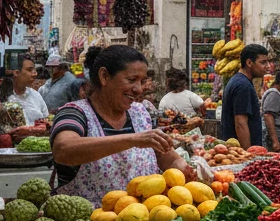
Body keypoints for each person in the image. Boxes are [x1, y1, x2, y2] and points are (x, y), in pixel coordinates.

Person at [51, 46, 194, 205]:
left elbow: (166, 156)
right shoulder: (74, 113)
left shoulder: (140, 113)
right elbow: (63, 149)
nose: (138, 89)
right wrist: (133, 139)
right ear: (104, 76)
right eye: (132, 80)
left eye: (142, 81)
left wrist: (182, 167)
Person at [219, 44, 270, 147]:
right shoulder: (243, 86)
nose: (268, 66)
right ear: (249, 63)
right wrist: (247, 154)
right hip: (239, 150)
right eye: (263, 62)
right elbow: (240, 123)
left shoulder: (238, 81)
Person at [4, 57, 49, 125]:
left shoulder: (36, 95)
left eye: (34, 70)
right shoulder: (3, 97)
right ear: (16, 73)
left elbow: (46, 119)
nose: (35, 74)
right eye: (29, 70)